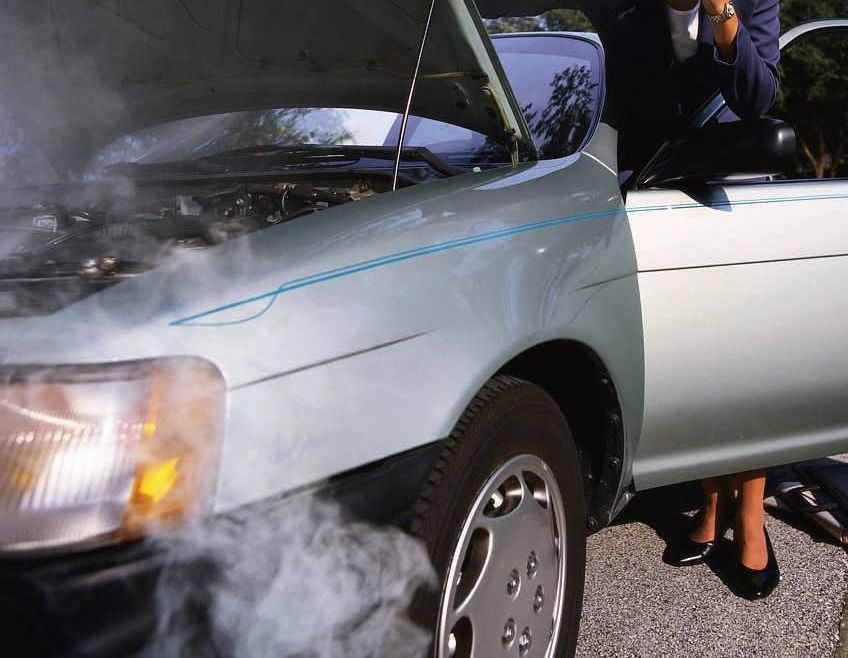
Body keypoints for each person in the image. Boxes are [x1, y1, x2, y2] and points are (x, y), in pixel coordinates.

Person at [476, 0, 781, 599]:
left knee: (742, 350)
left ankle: (750, 516)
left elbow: (758, 97)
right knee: (691, 348)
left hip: (731, 180)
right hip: (653, 180)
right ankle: (711, 500)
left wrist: (721, 13)